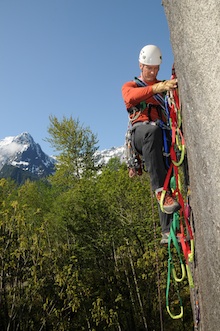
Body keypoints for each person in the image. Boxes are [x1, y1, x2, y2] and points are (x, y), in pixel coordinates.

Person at [121, 45, 180, 243]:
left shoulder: (164, 85)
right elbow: (129, 98)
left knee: (167, 172)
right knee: (151, 131)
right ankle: (160, 193)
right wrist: (156, 88)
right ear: (141, 66)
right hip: (141, 134)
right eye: (149, 68)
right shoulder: (131, 85)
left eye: (156, 68)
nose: (153, 72)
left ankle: (167, 231)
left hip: (160, 136)